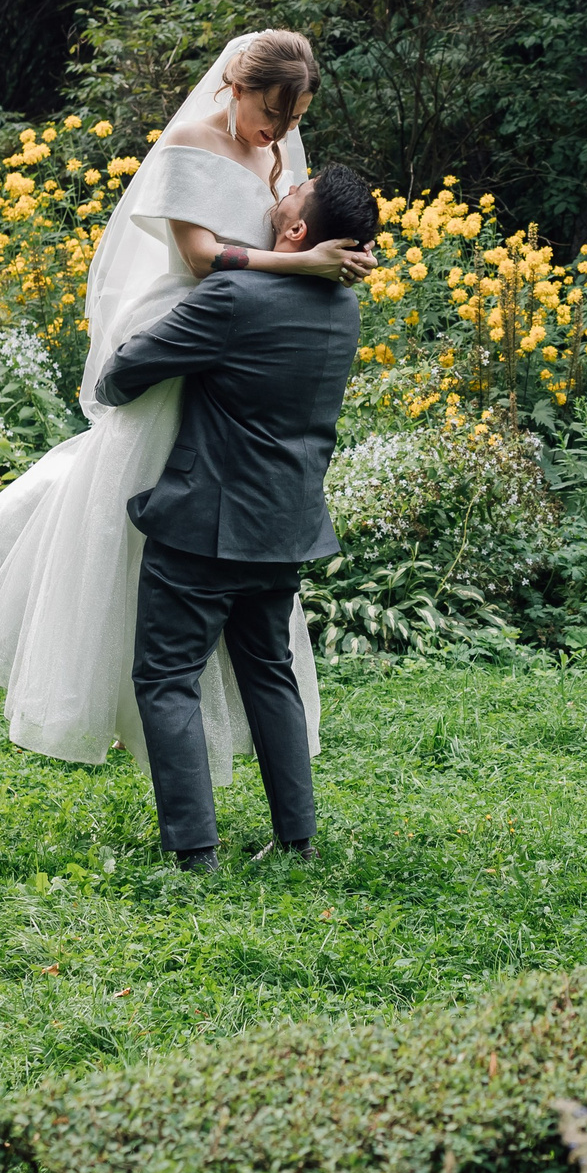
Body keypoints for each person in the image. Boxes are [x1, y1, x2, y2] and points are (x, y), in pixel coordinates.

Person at [0, 31, 372, 796]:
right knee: (136, 530)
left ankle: (204, 762)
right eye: (271, 114)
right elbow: (203, 258)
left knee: (222, 581)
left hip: (239, 348)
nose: (278, 135)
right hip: (191, 328)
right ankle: (136, 710)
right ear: (236, 84)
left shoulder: (275, 153)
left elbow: (292, 229)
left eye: (291, 119)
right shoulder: (189, 143)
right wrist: (304, 264)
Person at [94, 164, 380, 869]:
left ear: (297, 229)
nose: (276, 193)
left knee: (165, 677)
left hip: (205, 521)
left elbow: (125, 372)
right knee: (269, 671)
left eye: (290, 194)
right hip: (285, 522)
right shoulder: (342, 309)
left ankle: (194, 854)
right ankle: (297, 838)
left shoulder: (233, 296)